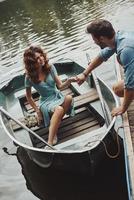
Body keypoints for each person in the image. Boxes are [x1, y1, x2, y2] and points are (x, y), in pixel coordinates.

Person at [77, 19, 134, 116]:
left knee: (125, 88)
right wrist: (85, 74)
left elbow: (130, 85)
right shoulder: (119, 37)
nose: (94, 42)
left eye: (94, 39)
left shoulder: (126, 51)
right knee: (118, 89)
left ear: (102, 39)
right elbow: (102, 56)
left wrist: (123, 108)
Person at [24, 46, 77, 146]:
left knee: (69, 98)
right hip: (45, 102)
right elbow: (28, 97)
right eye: (37, 59)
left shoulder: (50, 67)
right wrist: (37, 111)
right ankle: (50, 140)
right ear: (31, 63)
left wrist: (69, 81)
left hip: (57, 96)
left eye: (41, 56)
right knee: (59, 110)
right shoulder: (29, 77)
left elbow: (60, 86)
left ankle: (55, 123)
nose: (41, 59)